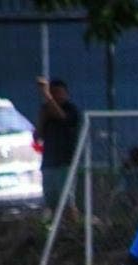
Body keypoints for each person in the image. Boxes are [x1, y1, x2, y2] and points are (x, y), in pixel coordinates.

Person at [34, 77, 81, 221]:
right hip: (49, 163)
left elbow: (62, 117)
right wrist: (43, 115)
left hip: (65, 163)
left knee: (67, 201)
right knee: (51, 201)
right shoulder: (47, 111)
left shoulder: (71, 110)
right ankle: (56, 231)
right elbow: (38, 136)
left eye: (59, 93)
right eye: (53, 93)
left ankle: (75, 228)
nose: (56, 96)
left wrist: (46, 95)